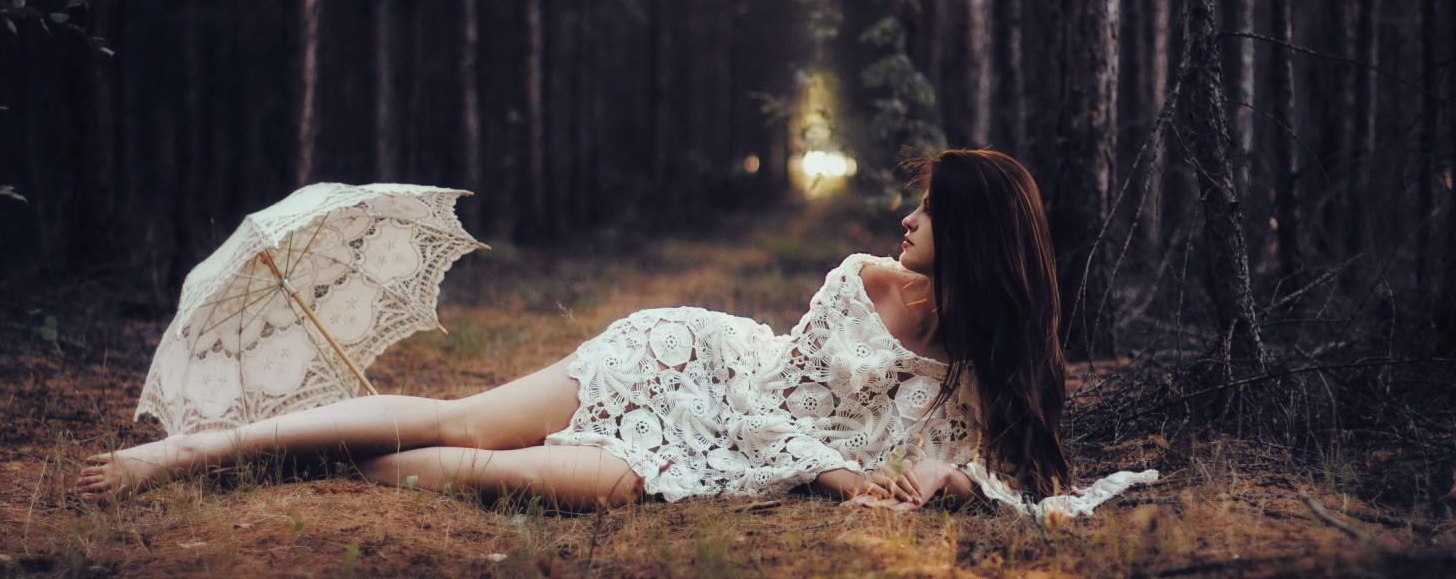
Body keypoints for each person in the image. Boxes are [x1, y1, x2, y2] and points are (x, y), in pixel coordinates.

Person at [79, 149, 1154, 514]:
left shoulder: (982, 360)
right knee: (473, 417)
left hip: (720, 458)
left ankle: (308, 465)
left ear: (965, 234)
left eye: (923, 207)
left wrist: (942, 482)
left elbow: (981, 471)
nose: (903, 217)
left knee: (507, 480)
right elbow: (777, 394)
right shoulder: (863, 280)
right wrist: (835, 476)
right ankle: (184, 452)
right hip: (686, 365)